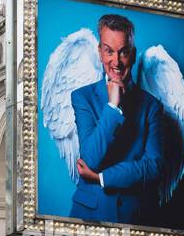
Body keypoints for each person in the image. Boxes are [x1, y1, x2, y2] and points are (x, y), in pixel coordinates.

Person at [69, 14, 165, 224]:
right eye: (109, 51)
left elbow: (153, 167)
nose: (116, 61)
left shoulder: (151, 107)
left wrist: (101, 178)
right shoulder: (82, 97)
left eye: (123, 52)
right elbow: (91, 157)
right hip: (88, 217)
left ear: (133, 53)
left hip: (135, 219)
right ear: (100, 52)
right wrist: (112, 106)